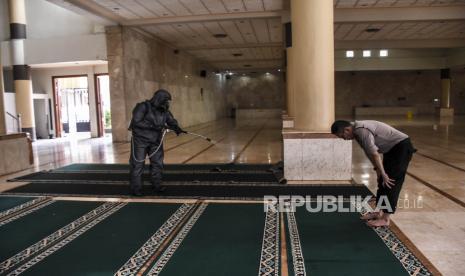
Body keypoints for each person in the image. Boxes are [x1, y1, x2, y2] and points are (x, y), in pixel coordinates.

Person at [331, 120, 416, 227]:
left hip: (401, 148)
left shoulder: (361, 131)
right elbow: (369, 152)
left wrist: (384, 173)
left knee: (390, 182)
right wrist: (378, 170)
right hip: (392, 150)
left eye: (342, 136)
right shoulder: (356, 132)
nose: (344, 139)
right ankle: (378, 212)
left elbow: (375, 155)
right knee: (382, 181)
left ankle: (385, 219)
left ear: (347, 130)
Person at [128, 89, 186, 196]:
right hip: (140, 141)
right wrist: (155, 126)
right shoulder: (142, 107)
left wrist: (177, 128)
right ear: (159, 98)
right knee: (138, 165)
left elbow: (171, 121)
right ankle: (136, 188)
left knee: (158, 164)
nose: (167, 103)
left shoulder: (164, 110)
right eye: (166, 100)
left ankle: (157, 185)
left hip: (156, 141)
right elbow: (136, 122)